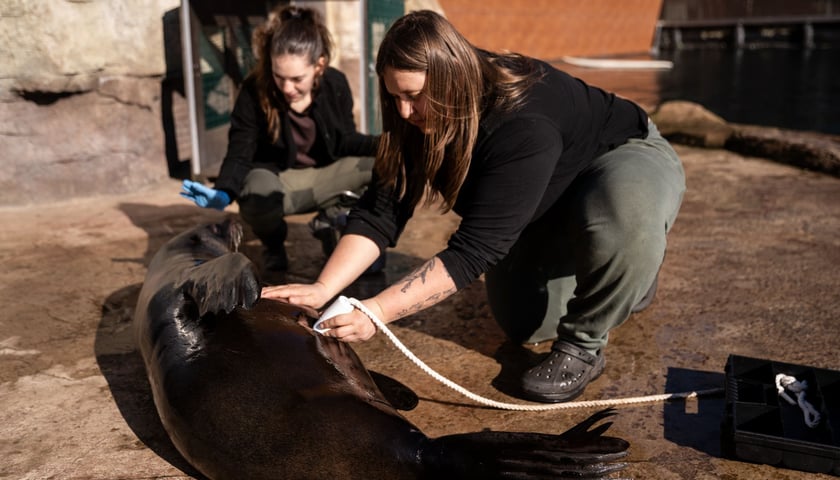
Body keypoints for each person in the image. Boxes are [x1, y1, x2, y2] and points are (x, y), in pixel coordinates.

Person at [263, 10, 685, 404]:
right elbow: (382, 211)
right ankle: (618, 277)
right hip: (541, 198)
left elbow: (475, 250)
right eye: (394, 97)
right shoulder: (415, 114)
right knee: (524, 325)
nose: (405, 111)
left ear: (451, 80)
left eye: (414, 96)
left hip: (616, 158)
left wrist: (376, 312)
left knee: (625, 218)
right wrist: (323, 288)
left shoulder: (521, 122)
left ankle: (591, 335)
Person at [180, 5, 379, 274]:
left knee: (380, 165)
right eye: (279, 76)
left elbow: (346, 141)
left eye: (297, 79)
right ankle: (273, 245)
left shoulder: (336, 83)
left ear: (319, 65)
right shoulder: (254, 91)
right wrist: (225, 191)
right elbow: (241, 150)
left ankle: (334, 222)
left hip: (324, 175)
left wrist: (388, 145)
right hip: (279, 182)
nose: (287, 88)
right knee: (254, 191)